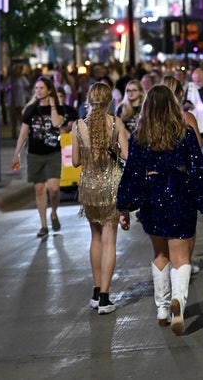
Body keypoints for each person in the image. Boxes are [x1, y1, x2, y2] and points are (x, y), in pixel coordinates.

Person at [116, 85, 203, 334]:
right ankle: (179, 303)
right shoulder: (184, 133)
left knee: (159, 254)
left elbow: (132, 175)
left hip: (153, 197)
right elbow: (198, 171)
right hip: (180, 194)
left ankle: (162, 309)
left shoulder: (140, 137)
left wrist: (124, 207)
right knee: (181, 257)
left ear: (148, 107)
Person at [71, 82, 129, 314]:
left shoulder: (77, 126)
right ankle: (105, 297)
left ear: (89, 99)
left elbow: (75, 161)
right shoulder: (115, 123)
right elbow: (127, 155)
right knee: (109, 241)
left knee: (95, 238)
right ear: (109, 101)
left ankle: (96, 291)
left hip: (89, 187)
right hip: (112, 186)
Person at [12, 76, 67, 238]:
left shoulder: (58, 107)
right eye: (36, 88)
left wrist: (51, 105)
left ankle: (54, 213)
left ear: (49, 90)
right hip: (35, 154)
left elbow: (57, 123)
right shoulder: (30, 110)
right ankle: (44, 225)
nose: (38, 91)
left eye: (42, 88)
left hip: (53, 154)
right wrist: (17, 153)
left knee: (54, 189)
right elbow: (23, 133)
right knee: (39, 190)